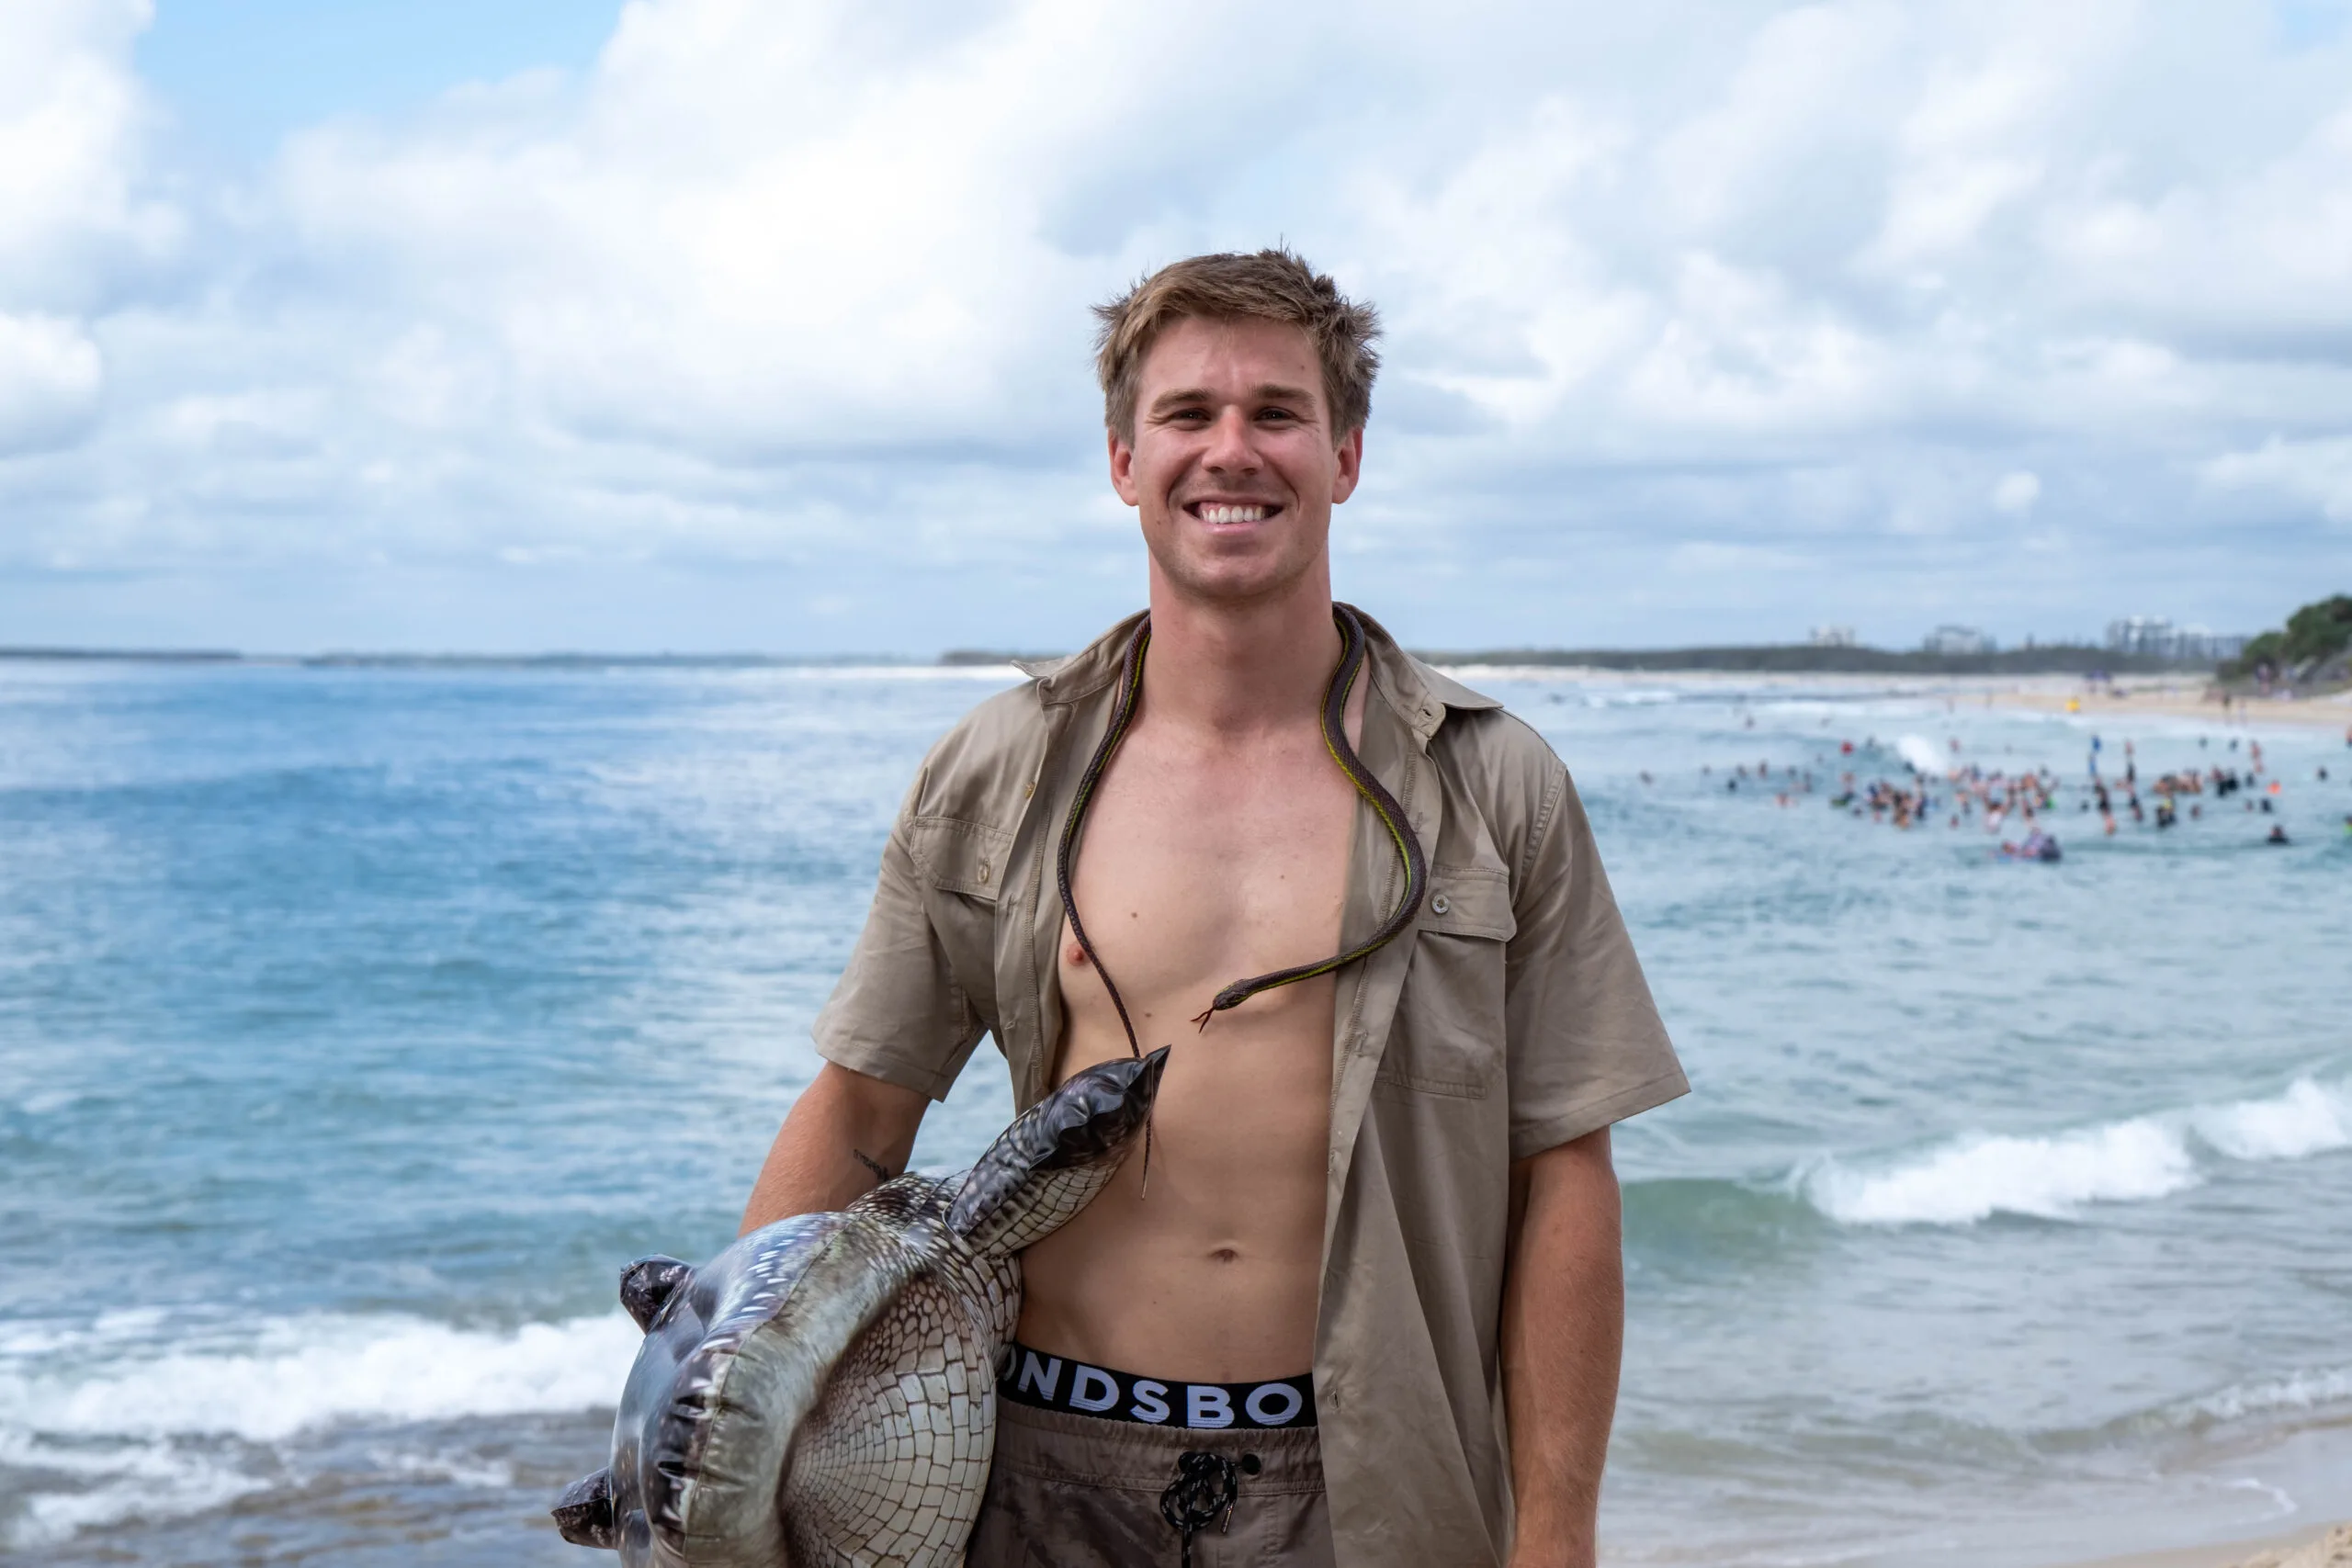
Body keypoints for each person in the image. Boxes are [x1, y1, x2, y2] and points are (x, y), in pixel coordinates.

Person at [736, 251, 1687, 1568]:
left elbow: (1564, 1173)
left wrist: (1558, 1535)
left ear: (1345, 455)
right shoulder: (999, 769)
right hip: (1034, 1473)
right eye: (1187, 414)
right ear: (1124, 459)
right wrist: (726, 1412)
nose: (1230, 451)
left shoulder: (1494, 783)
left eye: (1277, 413)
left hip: (1368, 1484)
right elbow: (859, 1110)